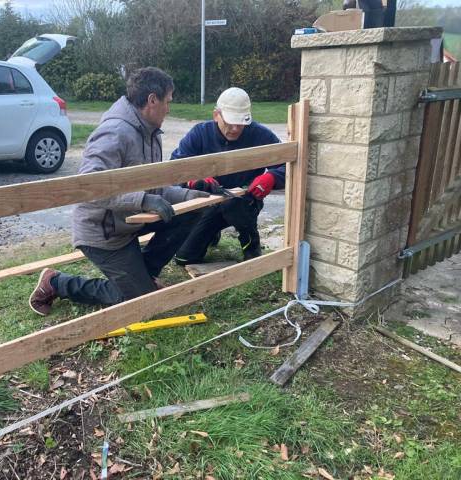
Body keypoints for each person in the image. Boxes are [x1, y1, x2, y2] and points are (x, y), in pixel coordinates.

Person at [28, 67, 209, 316]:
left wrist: (190, 197)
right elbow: (88, 186)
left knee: (191, 212)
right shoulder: (114, 132)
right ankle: (56, 282)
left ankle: (143, 275)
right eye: (167, 102)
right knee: (138, 300)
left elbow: (155, 188)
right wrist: (144, 199)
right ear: (152, 100)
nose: (169, 108)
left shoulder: (151, 134)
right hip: (103, 233)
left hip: (128, 222)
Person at [171, 87, 285, 265]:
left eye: (240, 124)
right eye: (230, 123)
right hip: (208, 202)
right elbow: (175, 167)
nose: (235, 129)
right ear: (216, 115)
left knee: (234, 205)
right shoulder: (199, 133)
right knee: (184, 257)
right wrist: (193, 179)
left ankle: (251, 245)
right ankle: (211, 233)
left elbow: (287, 164)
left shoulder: (260, 135)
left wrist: (272, 177)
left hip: (244, 201)